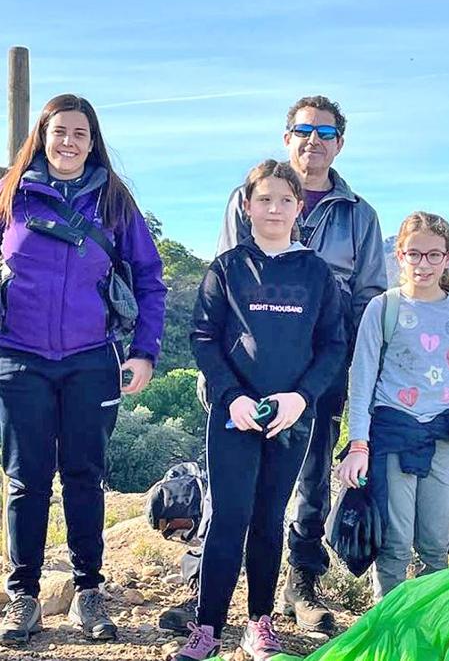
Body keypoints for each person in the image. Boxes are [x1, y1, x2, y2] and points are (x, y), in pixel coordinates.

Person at [162, 95, 385, 636]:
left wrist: (330, 381)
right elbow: (221, 305)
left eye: (325, 132)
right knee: (228, 494)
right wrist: (221, 382)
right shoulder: (242, 210)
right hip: (237, 383)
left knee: (306, 486)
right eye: (304, 130)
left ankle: (298, 587)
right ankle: (205, 595)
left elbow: (365, 301)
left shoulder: (358, 215)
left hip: (314, 378)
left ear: (340, 142)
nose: (314, 141)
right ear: (288, 138)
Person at [0, 93, 167, 646]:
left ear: (92, 142)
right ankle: (23, 596)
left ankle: (88, 591)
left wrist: (144, 350)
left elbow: (149, 278)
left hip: (91, 359)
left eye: (80, 133)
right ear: (43, 137)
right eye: (59, 131)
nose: (69, 142)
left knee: (83, 476)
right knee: (26, 479)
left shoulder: (114, 201)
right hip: (18, 357)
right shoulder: (11, 193)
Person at [174, 160, 347, 661]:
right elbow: (203, 337)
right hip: (235, 414)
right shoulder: (226, 268)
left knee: (269, 519)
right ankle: (208, 627)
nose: (275, 208)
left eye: (285, 200)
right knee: (229, 517)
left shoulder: (316, 273)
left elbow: (333, 346)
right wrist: (232, 395)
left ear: (299, 208)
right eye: (265, 199)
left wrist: (301, 398)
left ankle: (259, 623)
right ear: (247, 206)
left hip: (291, 417)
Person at [336, 212, 449, 599]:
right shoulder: (384, 308)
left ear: (448, 257)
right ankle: (388, 621)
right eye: (414, 254)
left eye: (434, 255)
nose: (423, 264)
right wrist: (358, 445)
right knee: (395, 544)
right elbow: (362, 380)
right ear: (400, 255)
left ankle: (429, 621)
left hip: (445, 438)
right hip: (393, 434)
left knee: (436, 546)